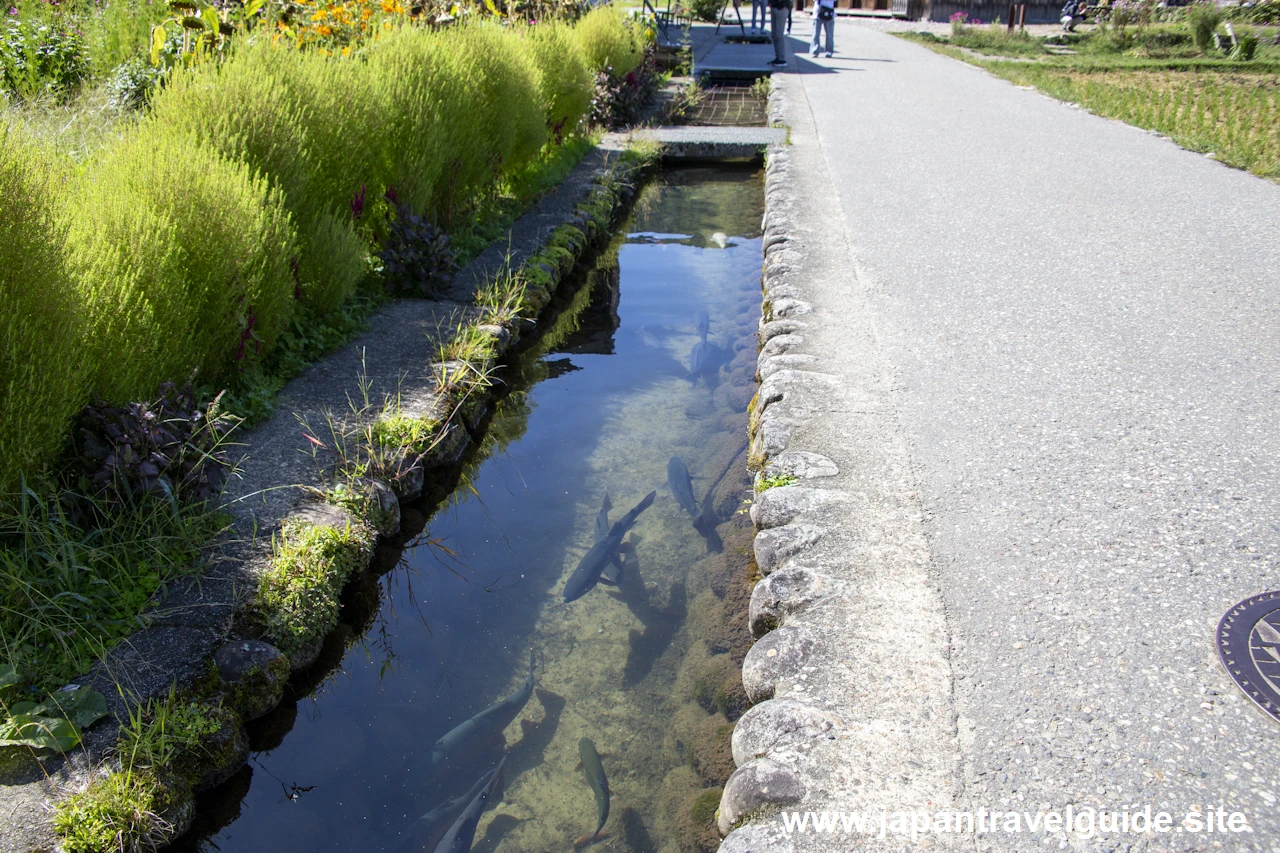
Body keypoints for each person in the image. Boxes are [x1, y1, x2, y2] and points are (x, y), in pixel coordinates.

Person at [768, 0, 790, 65]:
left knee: (779, 34)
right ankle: (778, 57)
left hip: (782, 7)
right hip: (774, 6)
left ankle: (782, 59)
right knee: (774, 34)